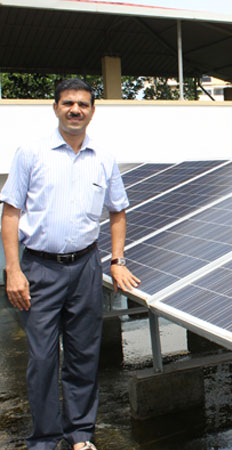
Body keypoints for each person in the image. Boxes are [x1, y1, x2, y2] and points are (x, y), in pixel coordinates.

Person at [0, 78, 140, 450]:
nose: (75, 110)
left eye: (83, 104)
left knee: (83, 355)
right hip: (40, 269)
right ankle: (45, 440)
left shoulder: (103, 158)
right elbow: (10, 214)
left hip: (85, 268)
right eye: (68, 103)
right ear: (56, 108)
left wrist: (117, 260)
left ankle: (80, 435)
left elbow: (118, 211)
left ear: (92, 111)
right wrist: (13, 270)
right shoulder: (31, 153)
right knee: (43, 358)